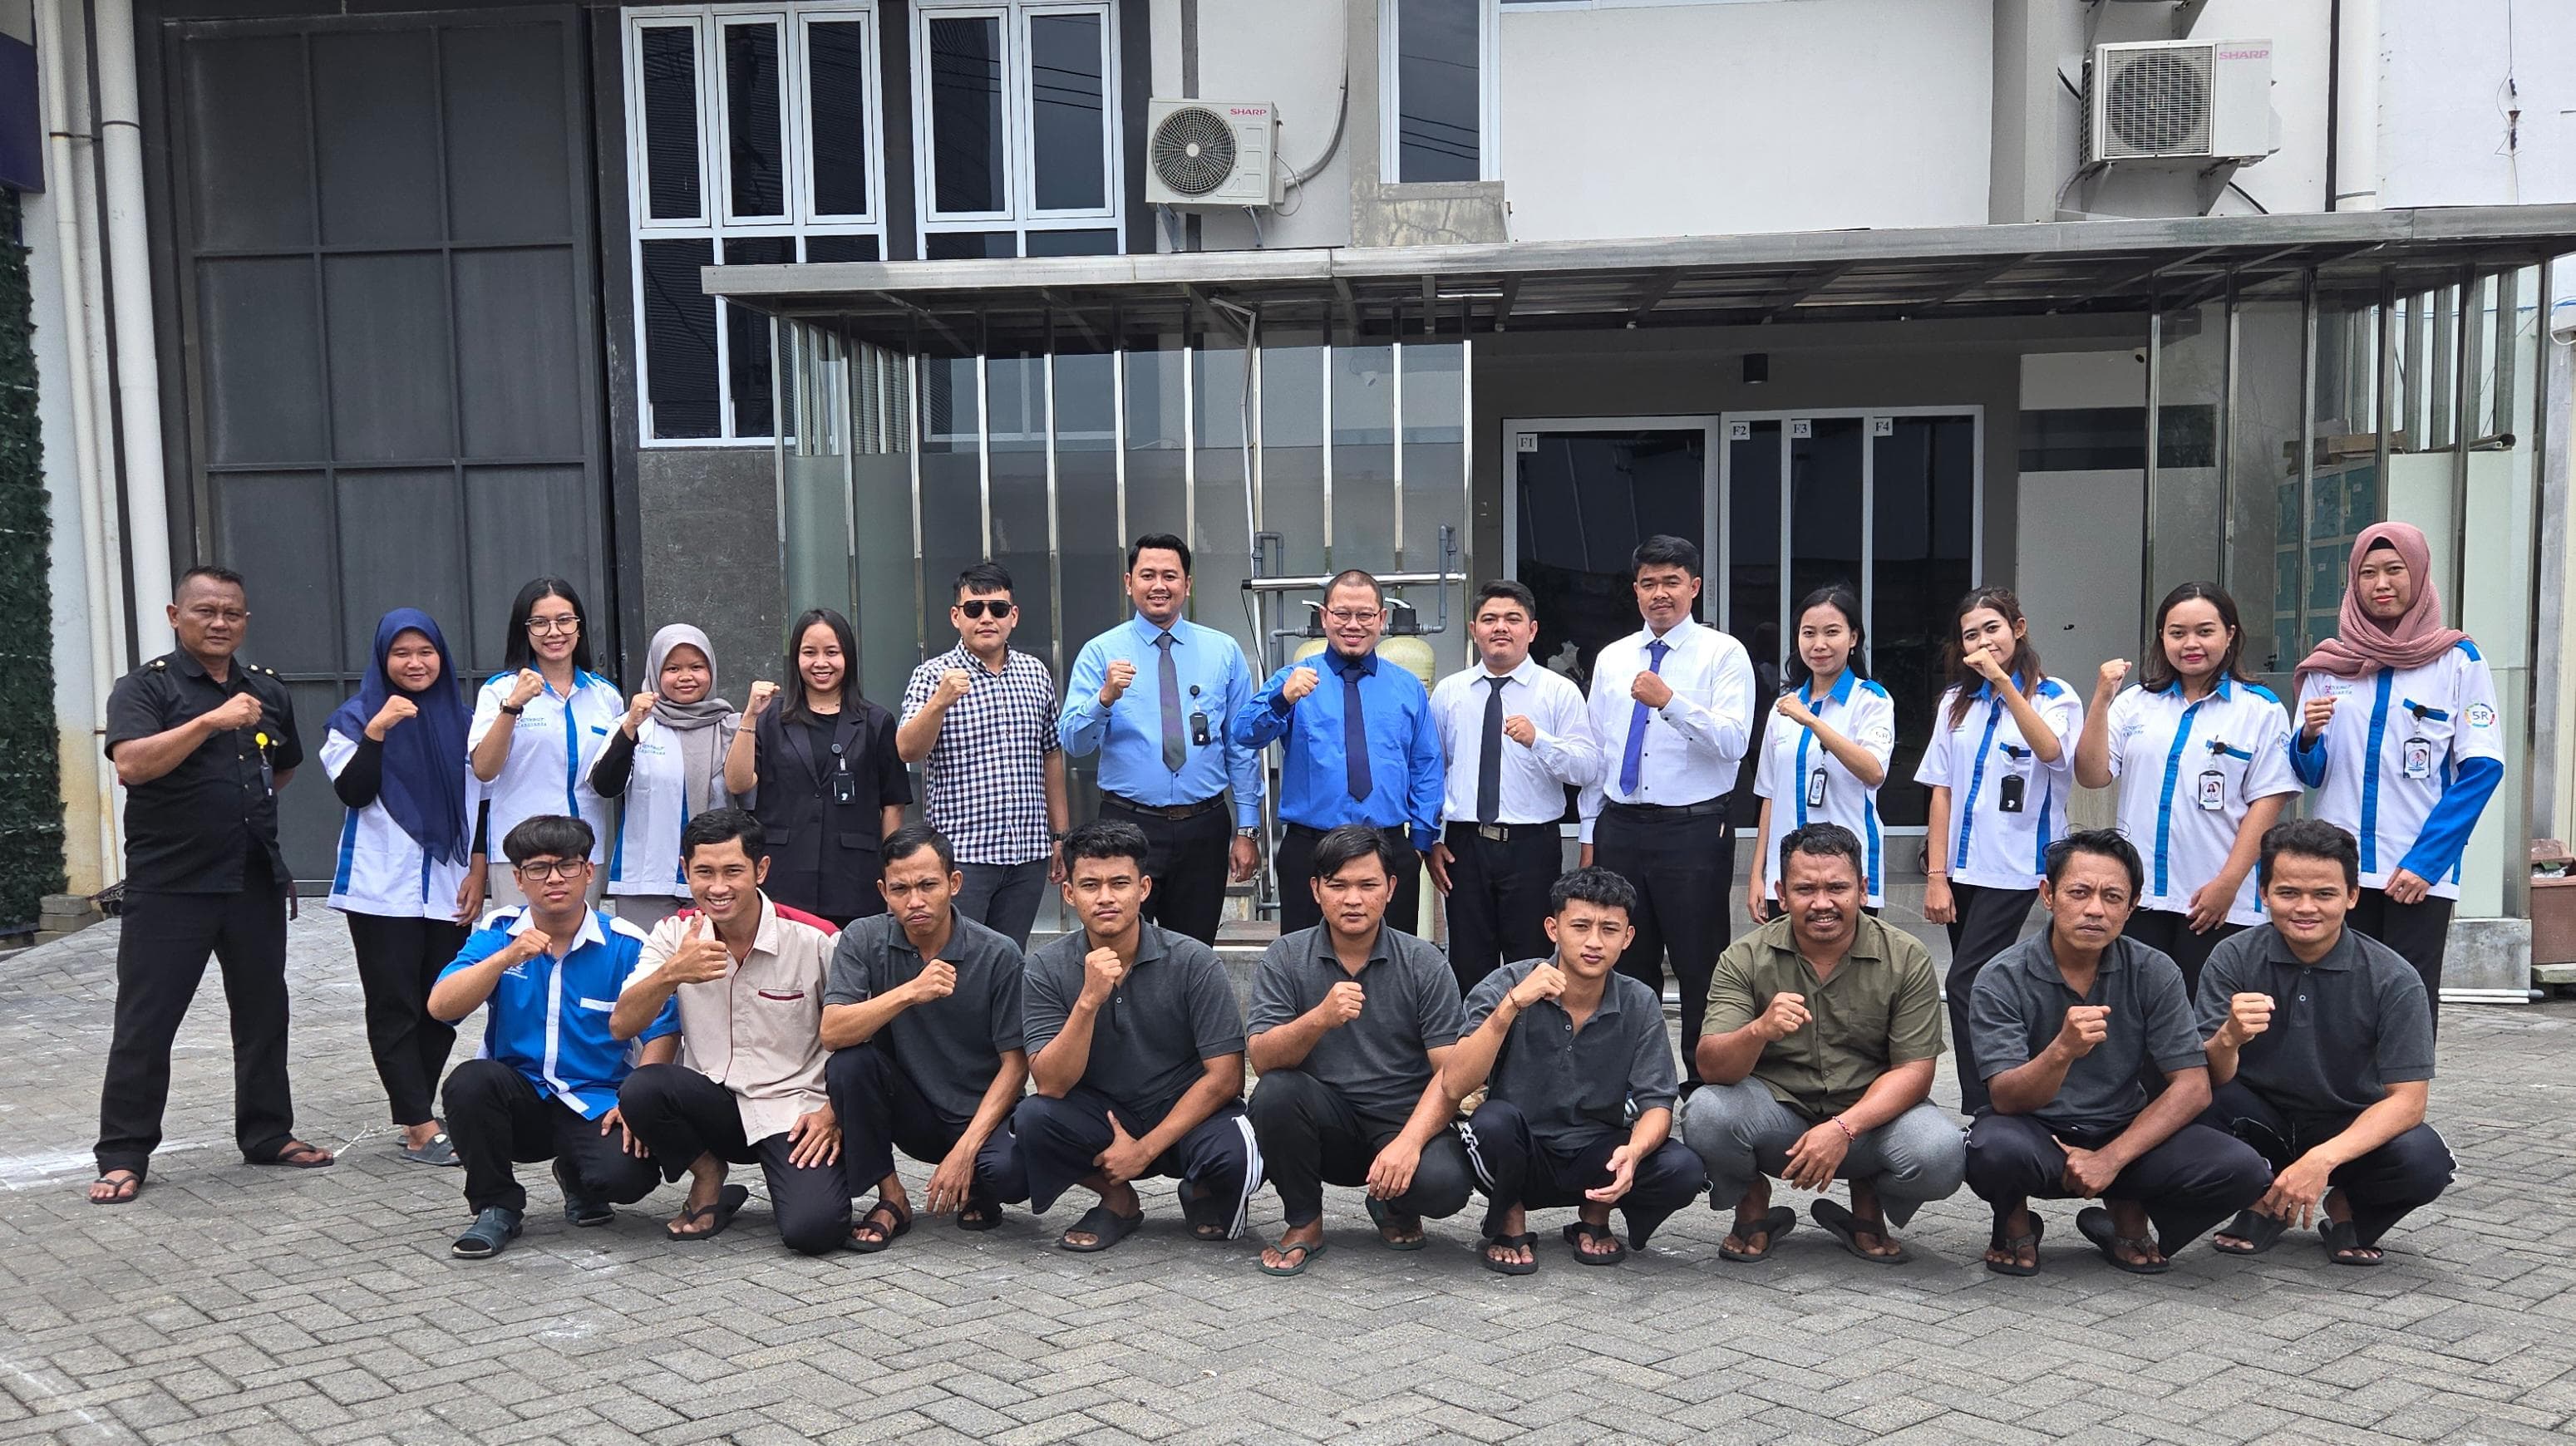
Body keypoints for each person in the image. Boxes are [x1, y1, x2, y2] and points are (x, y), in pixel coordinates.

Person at [91, 566, 333, 1203]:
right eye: (205, 611)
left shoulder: (266, 690)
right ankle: (123, 1153)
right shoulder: (145, 688)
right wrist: (209, 723)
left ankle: (267, 1133)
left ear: (245, 621)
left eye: (231, 612)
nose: (219, 622)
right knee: (147, 1022)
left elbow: (282, 768)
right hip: (171, 884)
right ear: (176, 616)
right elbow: (132, 764)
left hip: (252, 877)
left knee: (263, 1015)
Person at [1965, 830, 2273, 1276]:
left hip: (2125, 1130)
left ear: (2132, 907)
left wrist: (2110, 1159)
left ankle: (2127, 1212)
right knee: (1992, 1149)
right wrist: (2061, 1051)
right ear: (2048, 895)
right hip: (2035, 1133)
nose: (2095, 909)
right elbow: (2006, 1098)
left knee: (2243, 1169)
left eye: (2112, 897)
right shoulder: (2002, 976)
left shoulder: (2154, 970)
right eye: (2079, 893)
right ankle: (2013, 1219)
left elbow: (2193, 1087)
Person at [1685, 824, 1963, 1266]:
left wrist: (1843, 1129)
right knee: (1705, 1113)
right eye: (1805, 889)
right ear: (1781, 893)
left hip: (1869, 1122)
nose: (1822, 903)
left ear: (1863, 889)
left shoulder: (1906, 956)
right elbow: (1712, 1068)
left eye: (1837, 888)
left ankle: (1869, 1195)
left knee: (1942, 1154)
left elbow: (1915, 1072)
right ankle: (1751, 1199)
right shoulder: (1745, 957)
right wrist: (1758, 1030)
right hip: (1778, 1116)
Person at [978, 820, 1258, 1252]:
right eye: (1090, 885)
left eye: (1119, 883)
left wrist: (1144, 1150)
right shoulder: (1045, 967)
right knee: (1035, 1118)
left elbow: (1226, 1077)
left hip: (1183, 1110)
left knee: (1238, 1152)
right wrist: (1088, 1002)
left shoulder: (1193, 960)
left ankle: (1201, 1189)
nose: (1105, 897)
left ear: (1143, 888)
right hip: (1102, 1116)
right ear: (1069, 894)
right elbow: (1051, 1084)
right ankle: (1117, 1198)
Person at [2196, 819, 2454, 1266]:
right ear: (2264, 893)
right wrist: (2228, 1038)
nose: (2305, 908)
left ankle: (2345, 1206)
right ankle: (2262, 1197)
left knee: (2425, 1160)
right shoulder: (2233, 956)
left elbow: (2409, 1101)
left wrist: (2322, 1160)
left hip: (2346, 1122)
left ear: (2352, 896)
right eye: (2288, 892)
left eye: (2324, 894)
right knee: (2184, 1101)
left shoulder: (2394, 978)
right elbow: (2207, 1077)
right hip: (2258, 1118)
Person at [427, 815, 680, 1259]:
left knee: (627, 1179)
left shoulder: (625, 943)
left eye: (567, 865)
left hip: (596, 1099)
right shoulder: (499, 931)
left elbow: (663, 1028)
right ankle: (496, 1206)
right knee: (470, 1081)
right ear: (519, 879)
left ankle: (578, 1178)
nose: (555, 879)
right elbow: (441, 1006)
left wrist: (636, 1102)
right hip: (518, 1099)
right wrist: (504, 958)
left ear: (589, 871)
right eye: (539, 868)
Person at [2290, 521, 2505, 1030]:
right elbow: (2309, 774)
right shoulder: (2330, 665)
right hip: (2339, 870)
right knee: (2338, 998)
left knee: (2407, 999)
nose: (2381, 584)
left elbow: (2482, 768)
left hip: (2415, 871)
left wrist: (2427, 862)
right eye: (2368, 573)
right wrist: (2308, 738)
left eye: (2394, 570)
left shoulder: (2457, 660)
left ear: (2420, 575)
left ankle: (2406, 1087)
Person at [1445, 868, 1707, 1275]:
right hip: (1518, 1149)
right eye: (1580, 926)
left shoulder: (1639, 1001)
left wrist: (1634, 1153)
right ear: (1553, 929)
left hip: (1596, 1152)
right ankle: (1509, 1219)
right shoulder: (1508, 983)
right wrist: (1510, 1007)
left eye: (1609, 929)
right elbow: (1455, 1082)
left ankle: (1595, 1214)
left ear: (1628, 938)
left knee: (1683, 1168)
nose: (1594, 942)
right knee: (1492, 1122)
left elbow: (1658, 1103)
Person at [611, 809, 850, 1254]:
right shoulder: (674, 933)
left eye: (733, 871)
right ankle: (708, 1175)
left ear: (761, 870)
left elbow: (860, 1038)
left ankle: (800, 1183)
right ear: (685, 871)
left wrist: (833, 1112)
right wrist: (672, 973)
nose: (718, 887)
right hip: (711, 1103)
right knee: (642, 1088)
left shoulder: (816, 939)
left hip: (793, 1109)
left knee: (813, 1231)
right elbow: (622, 1024)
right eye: (704, 872)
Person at [1245, 825, 1477, 1276]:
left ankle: (1393, 1204)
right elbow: (1263, 1060)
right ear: (1316, 890)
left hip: (1402, 1119)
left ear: (1391, 888)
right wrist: (1319, 1018)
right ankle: (1304, 1221)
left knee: (1445, 1186)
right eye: (1338, 886)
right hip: (1324, 1121)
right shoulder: (1286, 956)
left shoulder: (1424, 961)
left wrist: (1409, 1143)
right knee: (1274, 1093)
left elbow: (1450, 1075)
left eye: (1368, 885)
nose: (1353, 899)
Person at [1575, 535, 1755, 1088]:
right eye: (1648, 583)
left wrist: (1670, 702)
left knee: (1701, 963)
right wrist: (1590, 832)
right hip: (1621, 827)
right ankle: (1632, 1085)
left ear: (1694, 587)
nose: (1660, 594)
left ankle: (1704, 1087)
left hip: (1693, 829)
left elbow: (1734, 742)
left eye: (1671, 582)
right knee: (1624, 961)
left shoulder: (1723, 653)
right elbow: (1598, 751)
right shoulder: (1612, 658)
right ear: (1635, 591)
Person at [2075, 583, 2298, 996]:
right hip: (2140, 897)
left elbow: (2267, 803)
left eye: (2205, 631)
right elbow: (2091, 775)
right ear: (2162, 637)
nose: (2190, 644)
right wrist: (2101, 700)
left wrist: (2227, 884)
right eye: (2177, 633)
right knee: (2136, 1013)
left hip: (2214, 900)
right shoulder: (2135, 702)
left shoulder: (2260, 709)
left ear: (2230, 634)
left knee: (2208, 1016)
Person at [323, 608, 487, 1167]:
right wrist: (377, 732)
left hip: (448, 885)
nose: (415, 663)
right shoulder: (352, 719)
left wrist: (478, 872)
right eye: (401, 653)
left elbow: (483, 803)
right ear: (382, 658)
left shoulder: (466, 722)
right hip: (380, 887)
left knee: (441, 1004)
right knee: (394, 1004)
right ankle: (418, 1123)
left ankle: (416, 1109)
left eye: (425, 652)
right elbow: (353, 790)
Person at [820, 825, 1029, 1249]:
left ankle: (978, 1185)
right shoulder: (863, 937)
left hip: (982, 1113)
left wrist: (965, 1152)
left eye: (928, 885)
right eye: (900, 889)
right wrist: (910, 992)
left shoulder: (999, 952)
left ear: (954, 883)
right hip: (912, 1111)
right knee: (849, 1064)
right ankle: (892, 1197)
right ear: (884, 891)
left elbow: (1017, 1064)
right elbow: (833, 1032)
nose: (915, 901)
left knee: (1011, 1175)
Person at [1915, 587, 2082, 1114]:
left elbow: (2052, 752)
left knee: (1966, 981)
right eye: (1971, 635)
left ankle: (1986, 1103)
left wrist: (2005, 685)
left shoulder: (2055, 697)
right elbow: (1941, 789)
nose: (1983, 642)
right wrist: (1936, 875)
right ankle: (2010, 1085)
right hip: (1961, 866)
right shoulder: (1954, 702)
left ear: (2018, 629)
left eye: (1993, 629)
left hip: (2017, 866)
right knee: (1991, 980)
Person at [1058, 534, 1263, 947]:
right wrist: (1104, 698)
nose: (1159, 585)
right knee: (1118, 945)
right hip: (1126, 823)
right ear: (1129, 582)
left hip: (1204, 824)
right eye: (1147, 575)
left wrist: (1248, 828)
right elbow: (1074, 743)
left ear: (1187, 584)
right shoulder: (1101, 652)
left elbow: (1241, 745)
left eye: (1170, 576)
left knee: (1194, 950)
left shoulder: (1223, 651)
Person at [1233, 570, 1442, 936]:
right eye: (1342, 614)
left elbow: (1426, 765)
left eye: (1364, 615)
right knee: (1304, 958)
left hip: (1387, 846)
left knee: (1393, 958)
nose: (1353, 625)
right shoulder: (1294, 678)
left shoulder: (1407, 687)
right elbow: (1244, 734)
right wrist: (1281, 700)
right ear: (1325, 616)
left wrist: (1420, 841)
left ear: (1382, 619)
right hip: (1312, 847)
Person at [1427, 581, 1601, 996]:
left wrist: (1539, 740)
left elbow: (1586, 768)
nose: (1500, 627)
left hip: (1531, 846)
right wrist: (1431, 839)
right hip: (1464, 845)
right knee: (1468, 963)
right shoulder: (1450, 691)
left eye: (1512, 619)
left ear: (1532, 629)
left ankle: (1531, 1038)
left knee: (1532, 961)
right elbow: (1432, 770)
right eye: (1489, 619)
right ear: (1474, 629)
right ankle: (1474, 1037)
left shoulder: (1558, 691)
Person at [894, 563, 1069, 949]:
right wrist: (939, 702)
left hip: (1027, 852)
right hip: (962, 856)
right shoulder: (932, 675)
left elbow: (1051, 755)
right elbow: (907, 749)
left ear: (1013, 616)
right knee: (955, 959)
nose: (986, 618)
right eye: (974, 609)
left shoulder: (1035, 673)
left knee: (1009, 960)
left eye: (998, 609)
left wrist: (1060, 835)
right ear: (956, 616)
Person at [726, 607, 911, 928]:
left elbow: (892, 803)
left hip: (854, 875)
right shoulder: (770, 718)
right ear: (795, 657)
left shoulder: (876, 721)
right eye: (809, 652)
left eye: (832, 652)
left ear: (848, 656)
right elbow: (738, 783)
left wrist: (892, 871)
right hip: (784, 871)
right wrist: (750, 716)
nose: (821, 663)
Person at [1746, 585, 1895, 927]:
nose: (1819, 644)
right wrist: (1758, 875)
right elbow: (1769, 796)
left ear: (1853, 638)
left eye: (1832, 632)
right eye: (1809, 633)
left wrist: (1812, 721)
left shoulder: (1870, 700)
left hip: (1845, 874)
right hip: (1787, 877)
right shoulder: (1783, 707)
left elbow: (1873, 772)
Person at [470, 578, 620, 903]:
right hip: (518, 850)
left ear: (579, 627)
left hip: (583, 852)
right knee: (520, 935)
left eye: (564, 620)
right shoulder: (499, 690)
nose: (554, 632)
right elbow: (483, 769)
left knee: (582, 934)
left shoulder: (605, 696)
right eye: (540, 623)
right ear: (524, 630)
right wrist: (513, 706)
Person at [592, 624, 740, 930]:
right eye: (673, 668)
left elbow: (748, 795)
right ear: (655, 672)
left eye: (696, 667)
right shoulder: (636, 723)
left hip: (717, 881)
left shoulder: (731, 727)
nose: (686, 676)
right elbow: (606, 786)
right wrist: (630, 727)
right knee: (647, 957)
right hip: (646, 881)